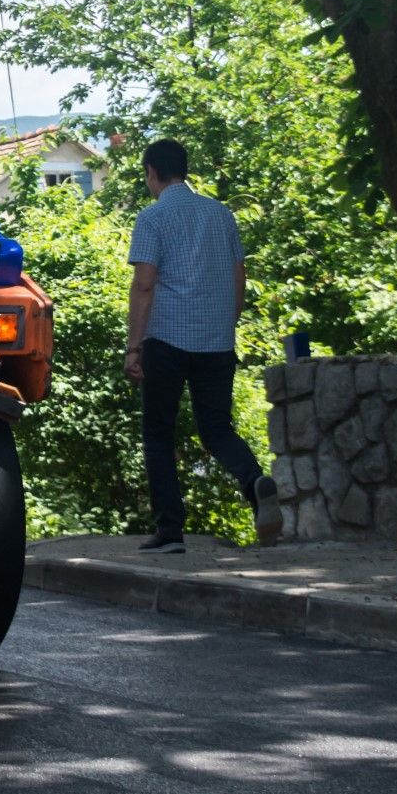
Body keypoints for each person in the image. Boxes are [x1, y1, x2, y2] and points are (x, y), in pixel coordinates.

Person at [126, 139, 280, 552]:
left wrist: (133, 347)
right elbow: (238, 277)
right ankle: (254, 482)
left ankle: (170, 531)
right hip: (216, 340)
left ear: (151, 173)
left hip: (167, 339)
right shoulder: (221, 213)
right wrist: (224, 325)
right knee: (216, 428)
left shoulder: (153, 218)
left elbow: (144, 284)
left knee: (158, 432)